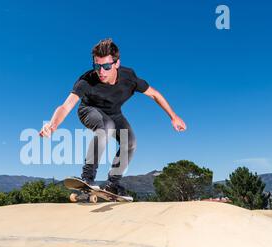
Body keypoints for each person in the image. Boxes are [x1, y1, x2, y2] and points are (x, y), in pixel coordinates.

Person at [39, 38, 187, 198]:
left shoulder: (129, 78)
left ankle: (112, 184)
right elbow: (66, 105)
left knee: (130, 142)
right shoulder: (86, 81)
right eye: (97, 66)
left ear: (116, 63)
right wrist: (52, 125)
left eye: (106, 66)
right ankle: (87, 177)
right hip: (89, 110)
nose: (101, 72)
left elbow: (154, 94)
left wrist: (173, 116)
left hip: (114, 113)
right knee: (106, 126)